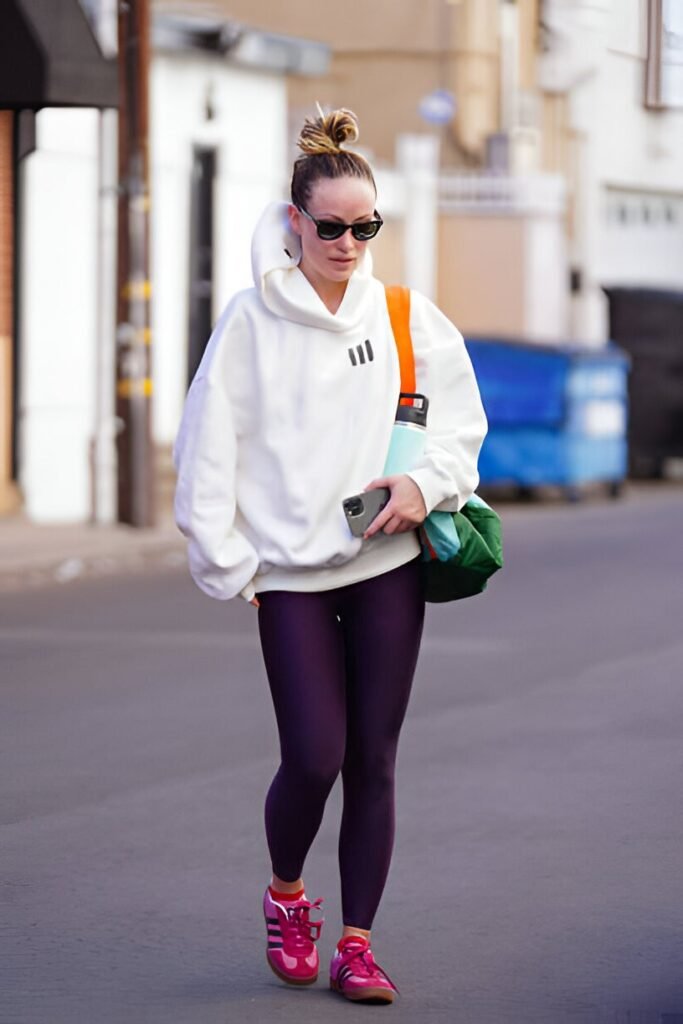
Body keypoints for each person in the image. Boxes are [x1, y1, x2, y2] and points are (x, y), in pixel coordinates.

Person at [173, 107, 487, 1005]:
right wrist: (231, 565)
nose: (349, 243)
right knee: (314, 755)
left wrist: (422, 490)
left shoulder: (401, 315)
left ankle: (357, 942)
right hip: (288, 575)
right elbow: (207, 447)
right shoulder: (249, 323)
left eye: (366, 227)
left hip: (385, 561)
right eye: (332, 227)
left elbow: (458, 427)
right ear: (293, 223)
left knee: (373, 759)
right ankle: (286, 896)